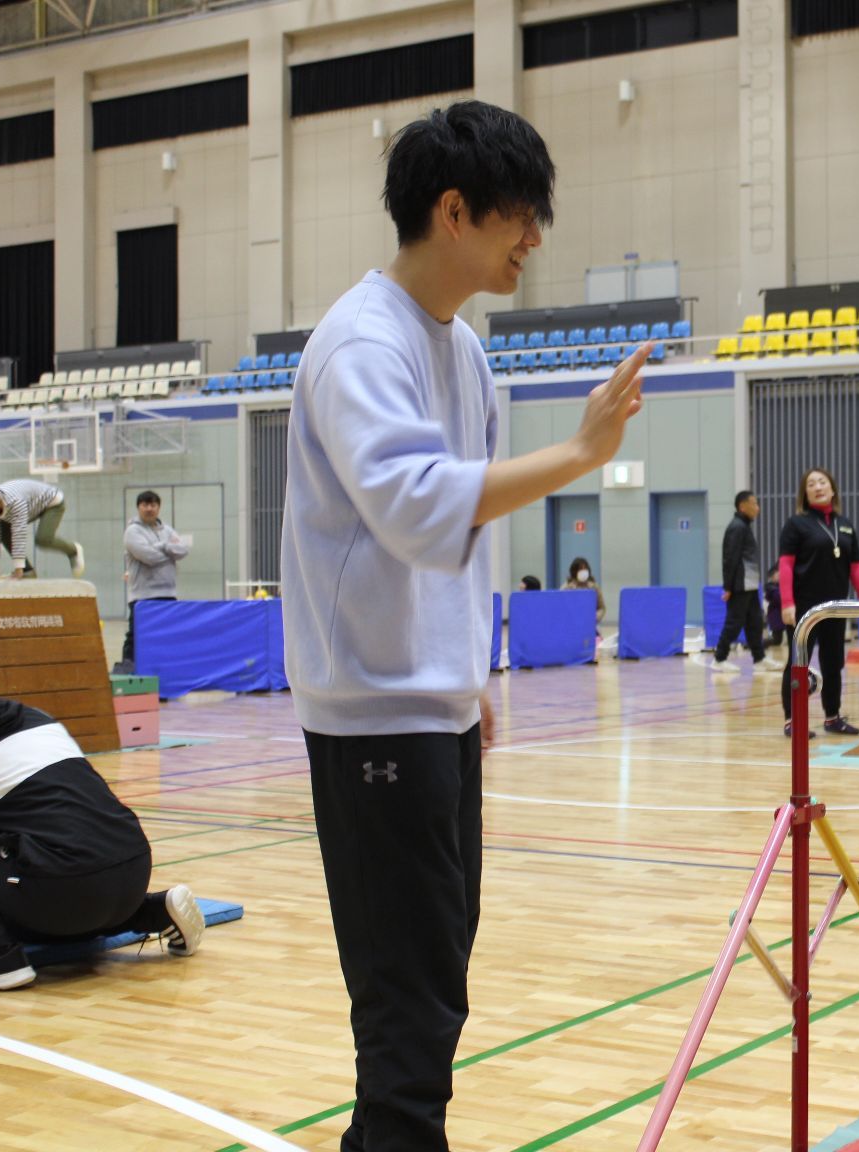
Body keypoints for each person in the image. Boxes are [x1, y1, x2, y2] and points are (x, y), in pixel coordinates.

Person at [280, 99, 647, 1152]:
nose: (535, 236)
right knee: (409, 999)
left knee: (438, 973)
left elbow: (459, 532)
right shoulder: (360, 343)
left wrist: (471, 668)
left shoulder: (466, 349)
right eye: (520, 214)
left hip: (431, 706)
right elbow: (413, 502)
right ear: (454, 210)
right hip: (369, 719)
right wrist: (580, 455)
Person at [0, 639, 203, 991]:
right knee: (51, 875)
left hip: (68, 890)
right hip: (132, 873)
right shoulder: (34, 718)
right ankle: (151, 912)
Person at [778, 467, 859, 738]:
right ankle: (792, 721)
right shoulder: (796, 525)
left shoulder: (845, 525)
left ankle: (832, 717)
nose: (817, 487)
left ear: (832, 489)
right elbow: (785, 566)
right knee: (798, 664)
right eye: (811, 484)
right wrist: (787, 603)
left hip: (835, 607)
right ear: (805, 494)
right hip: (803, 609)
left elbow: (855, 567)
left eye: (822, 482)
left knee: (833, 664)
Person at [703, 490, 780, 672]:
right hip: (740, 585)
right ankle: (719, 658)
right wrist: (728, 587)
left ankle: (759, 658)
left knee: (754, 621)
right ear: (742, 506)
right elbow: (730, 558)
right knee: (734, 622)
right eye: (753, 504)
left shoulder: (743, 527)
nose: (757, 508)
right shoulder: (736, 527)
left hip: (750, 584)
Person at [117, 490, 190, 675]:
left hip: (168, 594)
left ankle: (166, 674)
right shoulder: (132, 531)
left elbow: (182, 550)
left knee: (167, 636)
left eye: (153, 505)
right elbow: (148, 556)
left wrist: (163, 546)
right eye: (145, 505)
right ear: (138, 507)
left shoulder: (167, 529)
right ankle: (128, 674)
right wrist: (168, 548)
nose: (149, 509)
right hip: (143, 596)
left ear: (158, 507)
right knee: (135, 637)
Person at [0, 477, 84, 580]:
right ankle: (28, 571)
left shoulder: (15, 502)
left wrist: (18, 569)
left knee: (43, 539)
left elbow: (18, 535)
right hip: (29, 506)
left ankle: (73, 550)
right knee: (2, 533)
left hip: (51, 503)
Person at [561, 556, 606, 627]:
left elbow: (601, 608)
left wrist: (595, 617)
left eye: (585, 568)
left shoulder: (594, 587)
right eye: (580, 569)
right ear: (574, 571)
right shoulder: (566, 587)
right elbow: (560, 608)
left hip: (590, 625)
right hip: (570, 625)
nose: (583, 571)